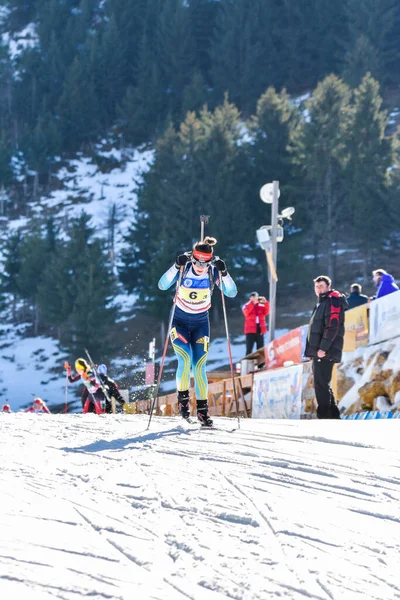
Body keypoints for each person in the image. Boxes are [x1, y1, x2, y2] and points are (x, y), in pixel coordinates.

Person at [158, 236, 237, 426]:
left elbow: (231, 292)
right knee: (184, 360)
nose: (201, 267)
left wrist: (224, 273)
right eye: (198, 262)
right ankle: (183, 403)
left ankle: (203, 412)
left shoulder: (212, 272)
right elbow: (162, 285)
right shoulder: (184, 268)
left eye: (206, 263)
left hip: (201, 324)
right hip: (179, 323)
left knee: (199, 365)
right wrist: (175, 267)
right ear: (192, 259)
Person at [304, 275, 347, 419]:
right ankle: (333, 416)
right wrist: (312, 350)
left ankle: (325, 417)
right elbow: (314, 330)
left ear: (328, 287)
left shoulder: (332, 301)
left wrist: (323, 348)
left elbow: (332, 326)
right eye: (317, 286)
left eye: (322, 286)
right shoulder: (321, 303)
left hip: (325, 351)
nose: (319, 289)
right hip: (320, 351)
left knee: (321, 385)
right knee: (323, 384)